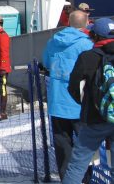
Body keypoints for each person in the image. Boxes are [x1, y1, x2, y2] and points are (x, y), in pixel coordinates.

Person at [42, 10, 93, 180]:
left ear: (69, 23)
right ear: (85, 23)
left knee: (62, 142)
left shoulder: (53, 41)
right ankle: (84, 177)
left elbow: (47, 62)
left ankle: (67, 178)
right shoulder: (85, 44)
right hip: (80, 102)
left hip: (57, 99)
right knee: (85, 143)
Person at [63, 18, 114, 184]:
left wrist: (86, 104)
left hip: (94, 119)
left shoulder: (87, 57)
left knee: (78, 165)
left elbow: (73, 87)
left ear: (94, 36)